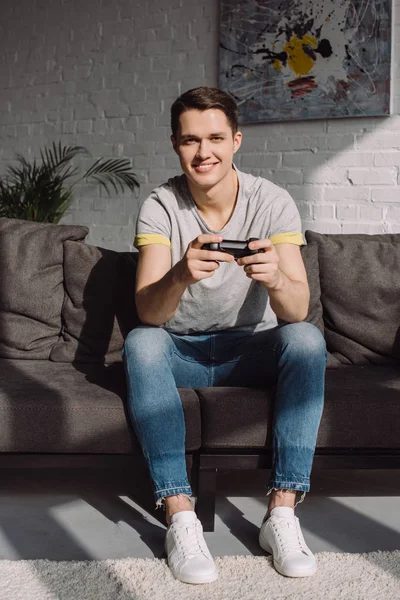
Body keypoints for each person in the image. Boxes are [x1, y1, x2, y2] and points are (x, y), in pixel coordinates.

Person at [122, 86, 327, 585]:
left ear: (236, 141)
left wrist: (276, 276)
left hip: (249, 350)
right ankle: (180, 514)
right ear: (175, 144)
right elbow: (148, 313)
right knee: (140, 343)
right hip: (182, 351)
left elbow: (298, 310)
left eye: (215, 138)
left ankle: (281, 512)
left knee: (306, 340)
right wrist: (180, 275)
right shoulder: (160, 205)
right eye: (191, 140)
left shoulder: (272, 201)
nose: (204, 152)